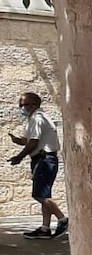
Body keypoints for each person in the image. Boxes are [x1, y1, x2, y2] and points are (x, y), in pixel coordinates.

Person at [8, 92, 68, 240]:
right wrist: (18, 140)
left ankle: (63, 219)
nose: (22, 108)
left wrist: (19, 157)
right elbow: (30, 140)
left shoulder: (37, 118)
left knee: (39, 195)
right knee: (44, 194)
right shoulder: (34, 119)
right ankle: (45, 228)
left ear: (34, 104)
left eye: (25, 105)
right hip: (42, 159)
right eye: (20, 105)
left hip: (44, 159)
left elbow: (33, 143)